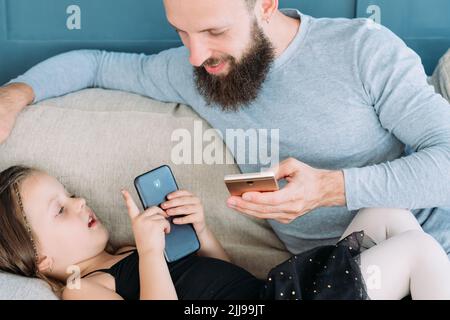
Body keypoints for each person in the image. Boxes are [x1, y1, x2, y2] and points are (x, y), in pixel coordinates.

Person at [0, 0, 449, 258]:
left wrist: (331, 188)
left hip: (431, 244)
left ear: (266, 5)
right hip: (329, 277)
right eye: (181, 33)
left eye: (214, 31)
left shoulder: (362, 51)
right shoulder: (197, 71)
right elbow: (94, 63)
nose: (196, 55)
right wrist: (15, 94)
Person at [0, 165, 449, 300]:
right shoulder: (84, 288)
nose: (80, 203)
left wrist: (202, 232)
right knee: (418, 250)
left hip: (270, 293)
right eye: (60, 210)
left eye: (72, 193)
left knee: (387, 211)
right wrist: (152, 252)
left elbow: (225, 285)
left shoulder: (122, 253)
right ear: (42, 262)